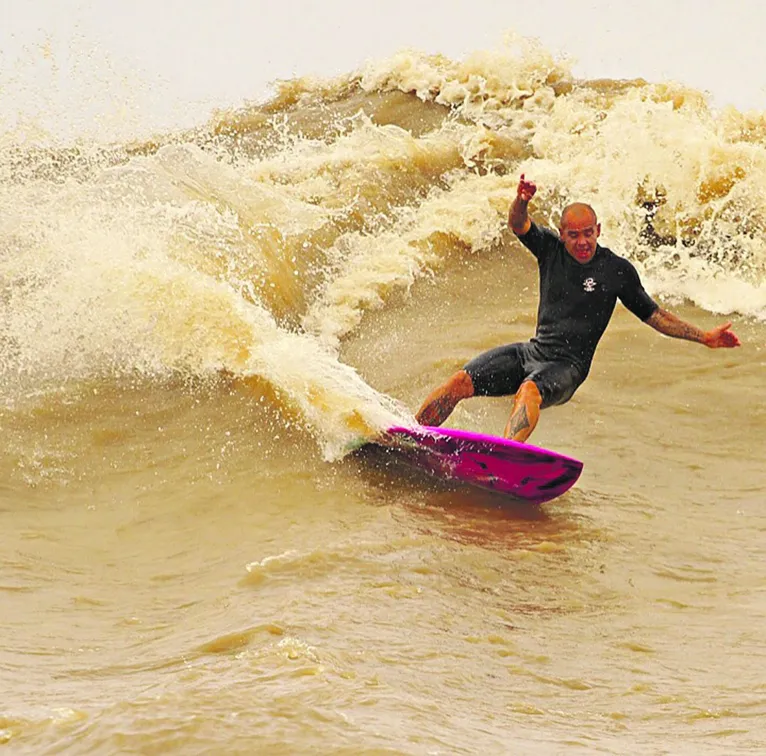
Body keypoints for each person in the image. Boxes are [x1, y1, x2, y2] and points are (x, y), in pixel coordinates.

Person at [415, 174, 741, 442]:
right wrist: (522, 201)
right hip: (533, 352)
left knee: (529, 390)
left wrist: (705, 337)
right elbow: (518, 223)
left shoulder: (616, 271)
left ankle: (508, 453)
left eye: (588, 234)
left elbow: (655, 316)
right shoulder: (549, 249)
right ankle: (412, 436)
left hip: (568, 368)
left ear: (598, 231)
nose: (582, 242)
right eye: (574, 235)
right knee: (460, 381)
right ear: (562, 235)